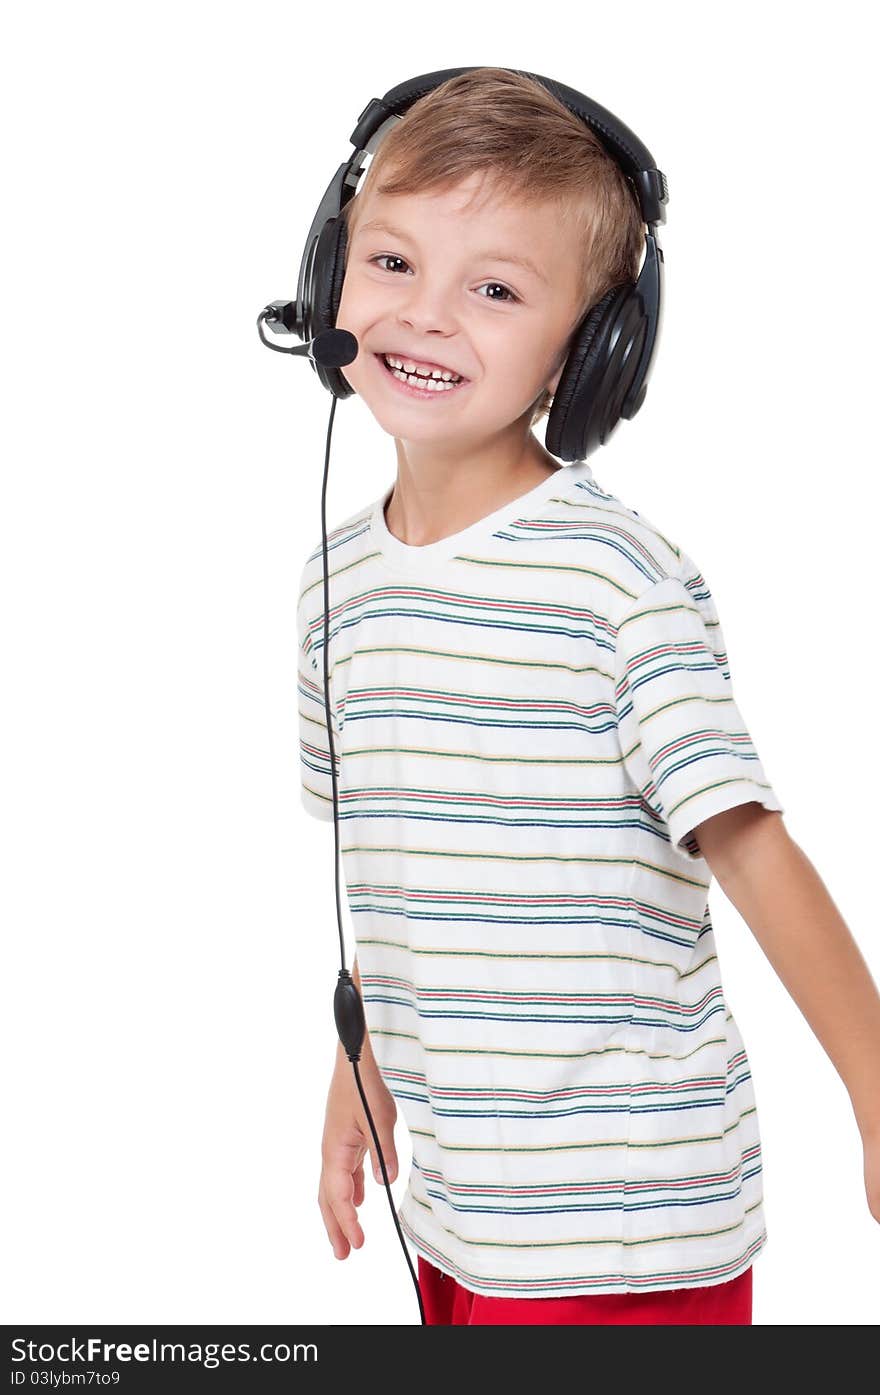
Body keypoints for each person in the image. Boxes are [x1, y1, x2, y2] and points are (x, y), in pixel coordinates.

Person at [297, 68, 880, 1325]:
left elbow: (747, 841)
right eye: (392, 262)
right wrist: (362, 1063)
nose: (427, 316)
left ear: (597, 346)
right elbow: (385, 861)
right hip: (461, 1206)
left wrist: (876, 1084)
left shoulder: (614, 579)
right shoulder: (334, 582)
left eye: (495, 289)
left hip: (625, 1220)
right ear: (328, 271)